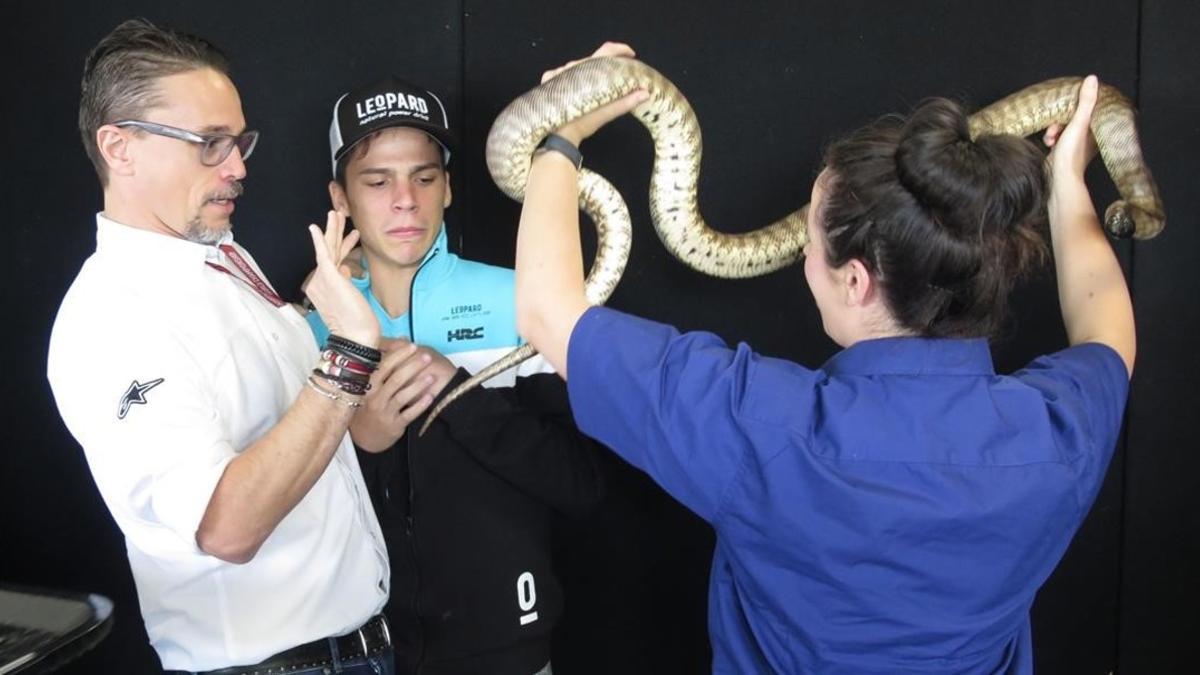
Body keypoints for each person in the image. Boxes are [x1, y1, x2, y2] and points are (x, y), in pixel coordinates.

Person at [515, 43, 1134, 674]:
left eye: (809, 241)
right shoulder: (1060, 433)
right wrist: (1068, 184)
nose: (804, 260)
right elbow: (1108, 325)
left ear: (857, 281)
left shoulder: (760, 427)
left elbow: (546, 313)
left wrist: (560, 134)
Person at [47, 19, 395, 675]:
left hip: (354, 650)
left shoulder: (214, 248)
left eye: (238, 141)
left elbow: (242, 392)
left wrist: (309, 317)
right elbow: (226, 525)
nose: (238, 166)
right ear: (119, 148)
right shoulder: (112, 318)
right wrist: (348, 358)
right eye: (209, 144)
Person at [304, 72, 605, 675]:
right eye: (377, 180)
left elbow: (585, 486)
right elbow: (280, 517)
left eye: (423, 177)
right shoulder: (305, 329)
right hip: (363, 657)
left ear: (448, 188)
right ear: (341, 198)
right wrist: (362, 442)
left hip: (508, 653)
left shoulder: (525, 303)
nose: (405, 201)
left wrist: (455, 393)